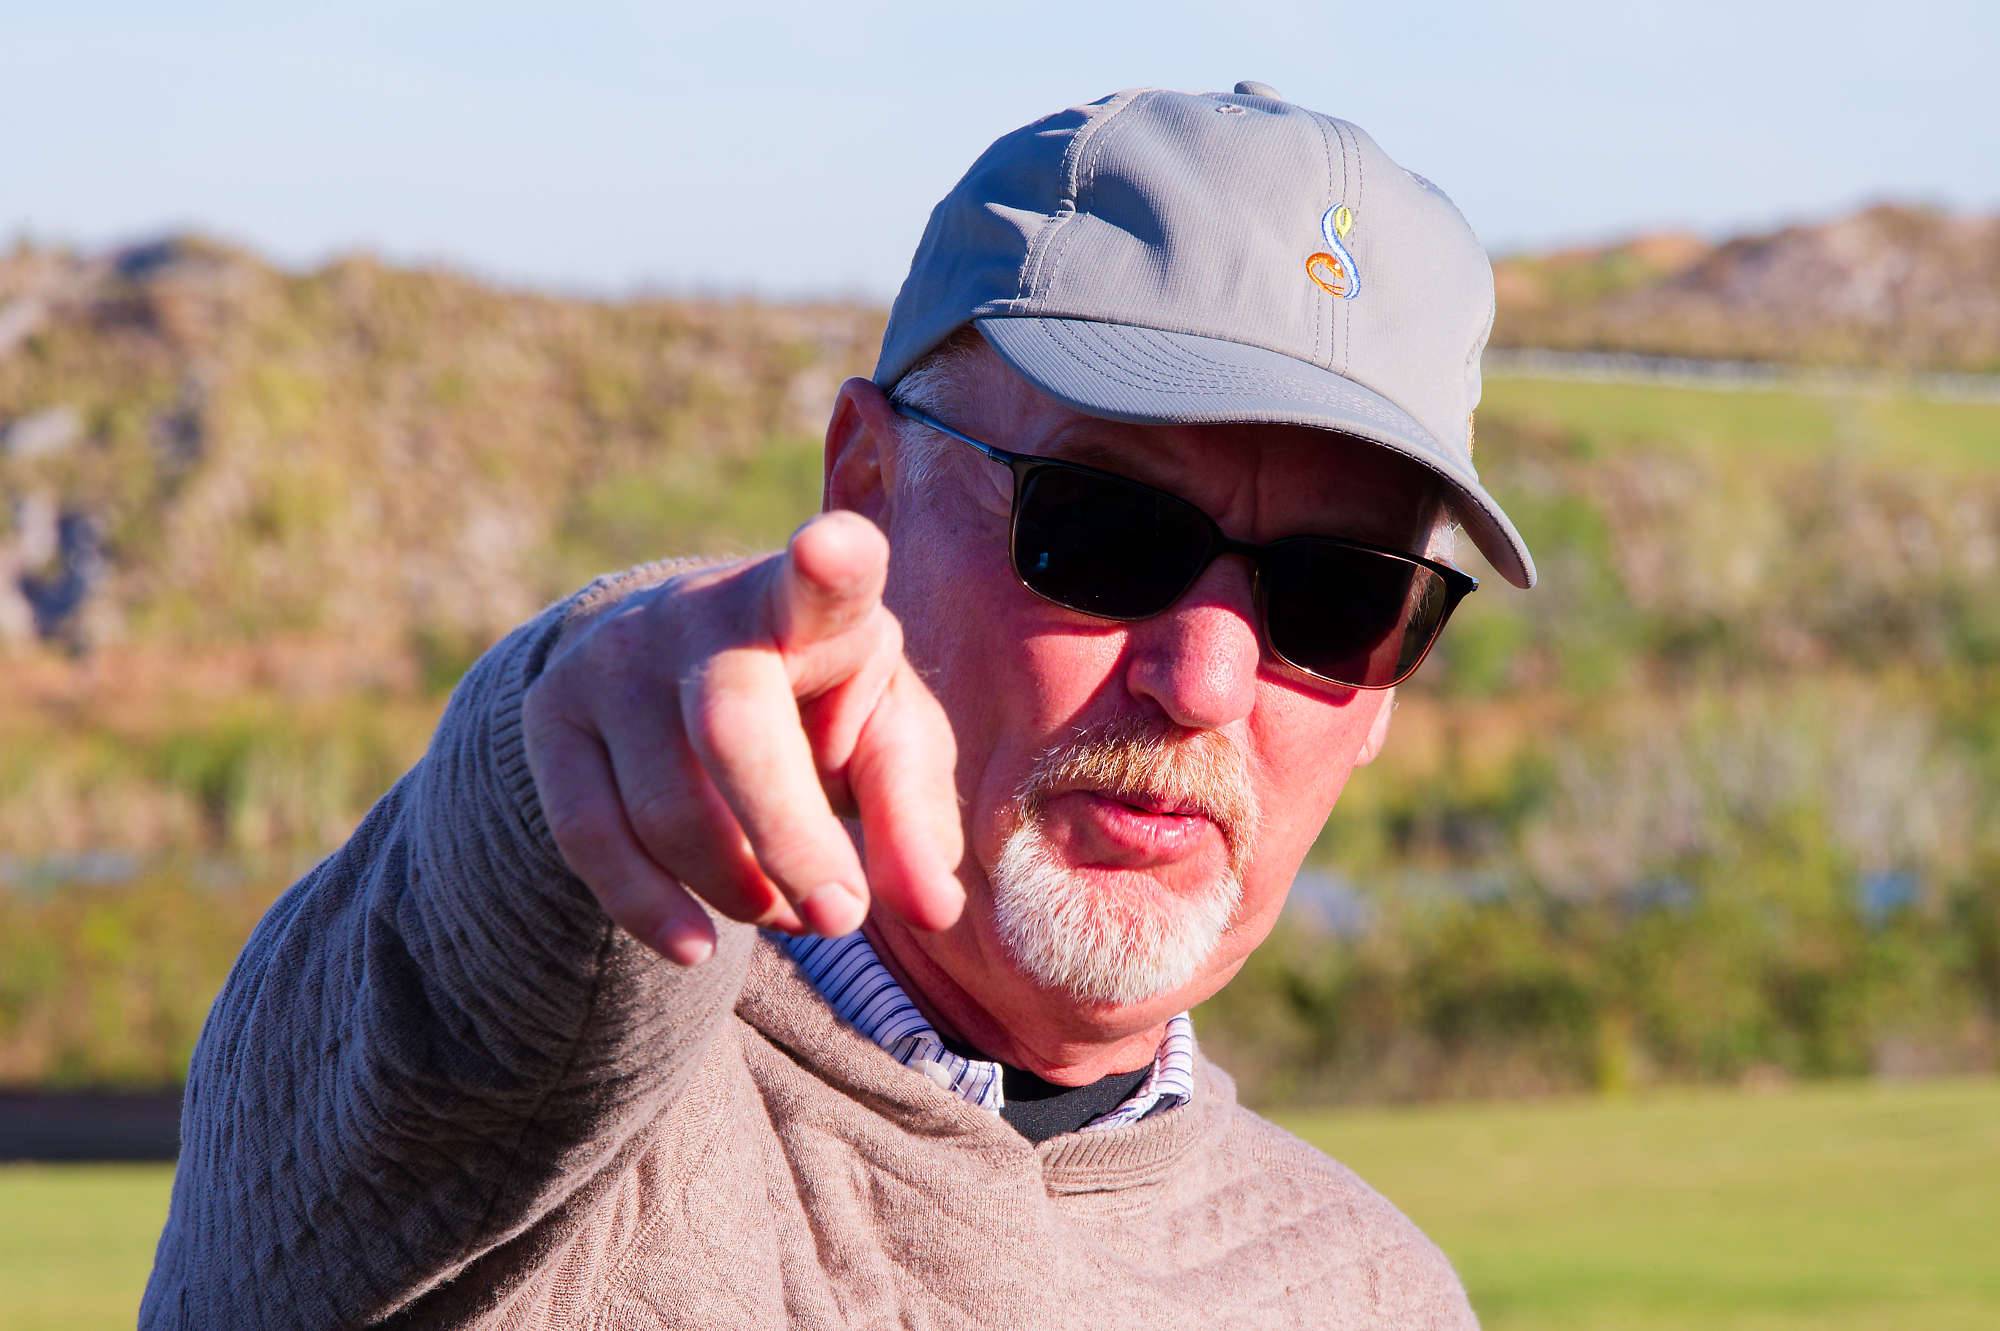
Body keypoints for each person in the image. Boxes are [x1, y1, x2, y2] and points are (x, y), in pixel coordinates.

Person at [142, 81, 1536, 1329]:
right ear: (867, 485)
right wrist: (590, 712)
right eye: (1107, 532)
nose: (1204, 678)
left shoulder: (1376, 1291)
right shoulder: (527, 1134)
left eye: (1339, 598)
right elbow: (454, 982)